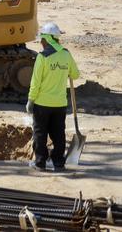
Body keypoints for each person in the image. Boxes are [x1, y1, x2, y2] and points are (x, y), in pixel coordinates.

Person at [26, 22, 79, 172]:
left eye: (42, 39)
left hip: (42, 104)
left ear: (48, 39)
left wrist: (31, 100)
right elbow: (75, 74)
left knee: (40, 134)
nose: (41, 42)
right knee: (58, 134)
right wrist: (64, 69)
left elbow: (35, 82)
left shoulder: (42, 57)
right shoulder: (66, 54)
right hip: (60, 104)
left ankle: (40, 163)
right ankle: (58, 163)